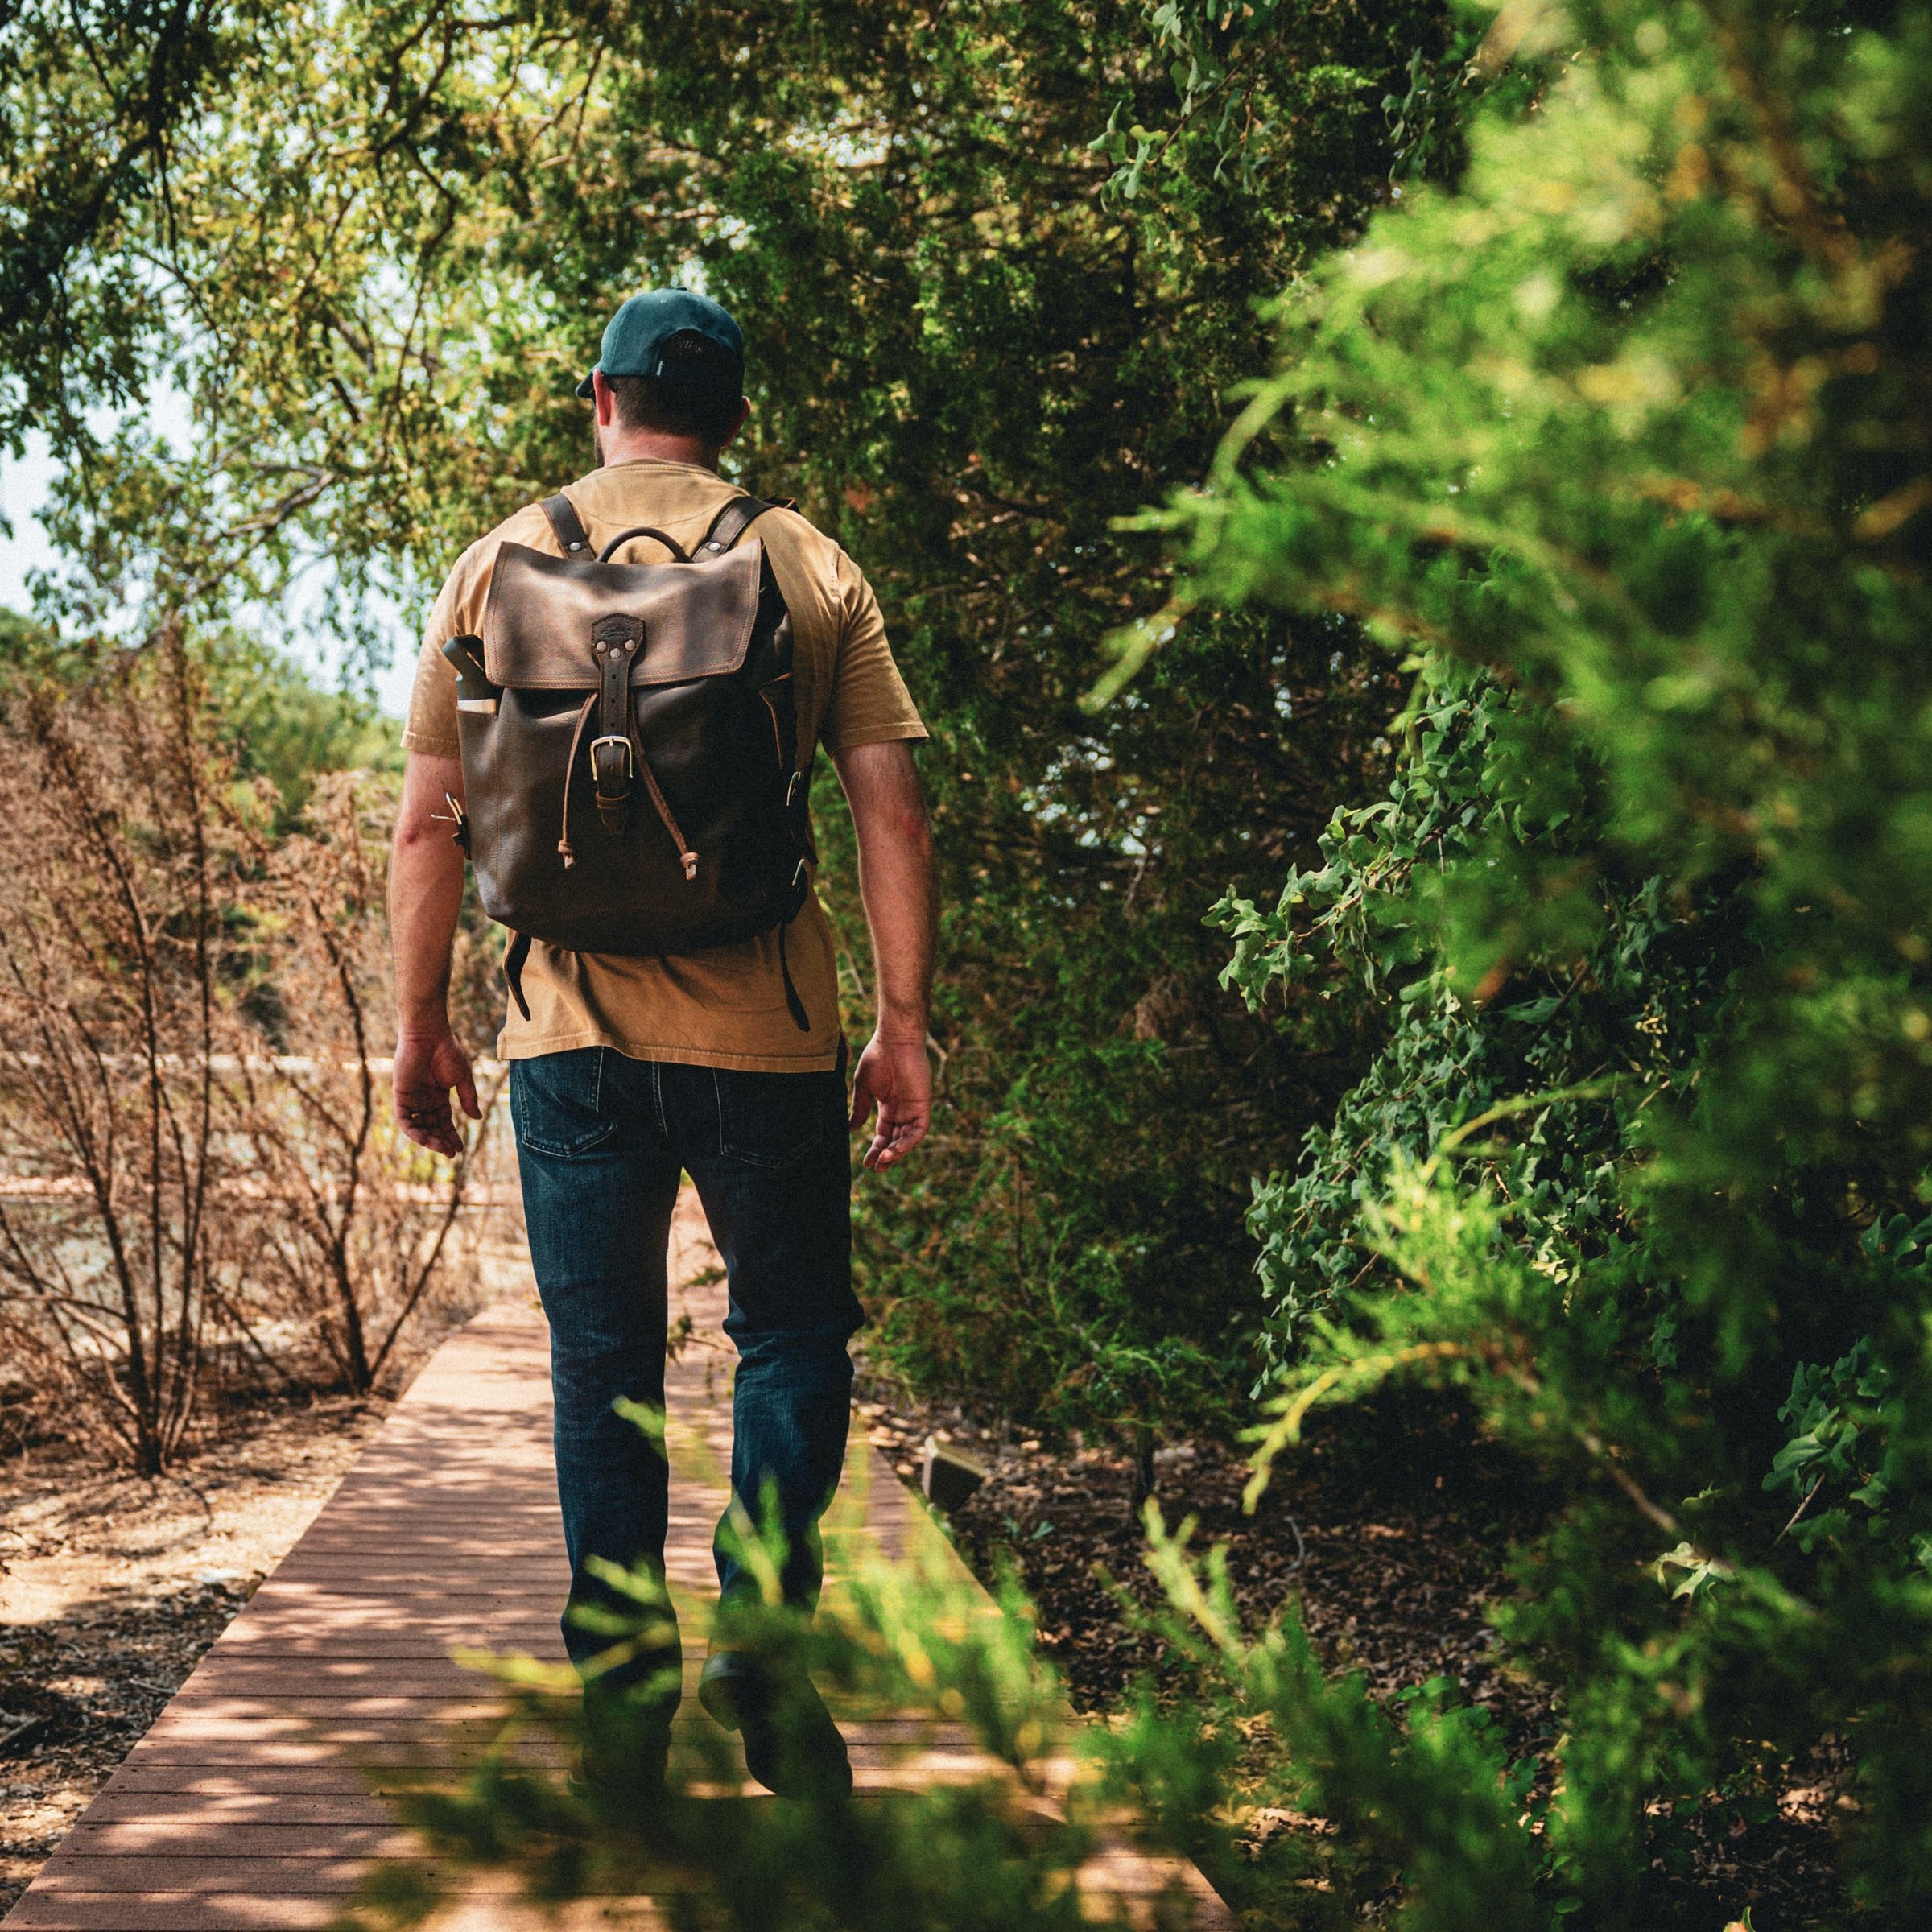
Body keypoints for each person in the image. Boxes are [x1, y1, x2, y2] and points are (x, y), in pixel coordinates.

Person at [386, 287, 936, 1800]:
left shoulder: (495, 564)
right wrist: (905, 1027)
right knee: (794, 1341)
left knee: (604, 1365)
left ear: (601, 396)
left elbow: (430, 823)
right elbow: (891, 808)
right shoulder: (806, 560)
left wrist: (422, 1025)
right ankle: (763, 1652)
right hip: (767, 1032)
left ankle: (624, 1704)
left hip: (568, 1036)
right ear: (733, 412)